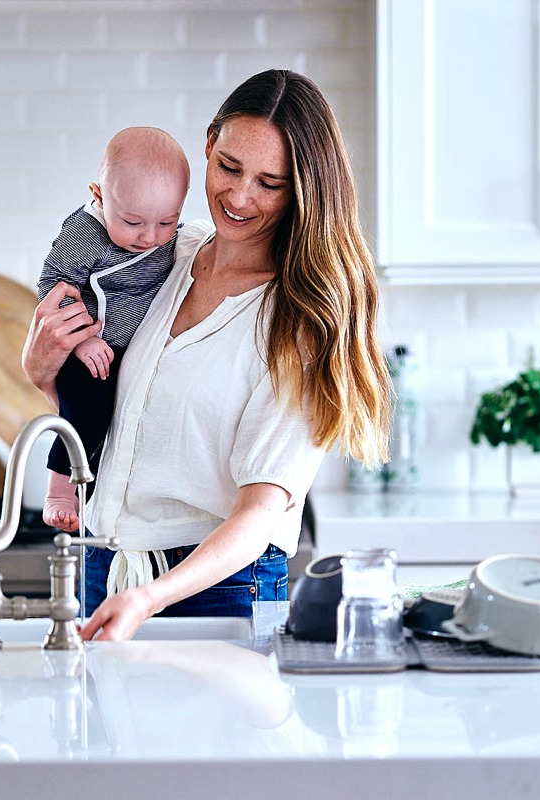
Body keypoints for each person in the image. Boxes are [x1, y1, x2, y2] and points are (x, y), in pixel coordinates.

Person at [21, 69, 394, 641]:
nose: (241, 197)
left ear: (304, 190)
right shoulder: (169, 253)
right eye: (229, 167)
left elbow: (260, 513)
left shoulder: (301, 318)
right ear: (208, 146)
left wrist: (152, 597)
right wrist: (43, 374)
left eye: (270, 182)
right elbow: (112, 416)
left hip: (215, 588)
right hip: (106, 567)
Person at [36, 126, 191, 531]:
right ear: (99, 195)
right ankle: (57, 489)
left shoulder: (178, 238)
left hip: (132, 351)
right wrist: (83, 338)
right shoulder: (85, 234)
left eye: (166, 222)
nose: (150, 237)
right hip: (89, 349)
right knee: (86, 415)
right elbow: (53, 283)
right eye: (133, 222)